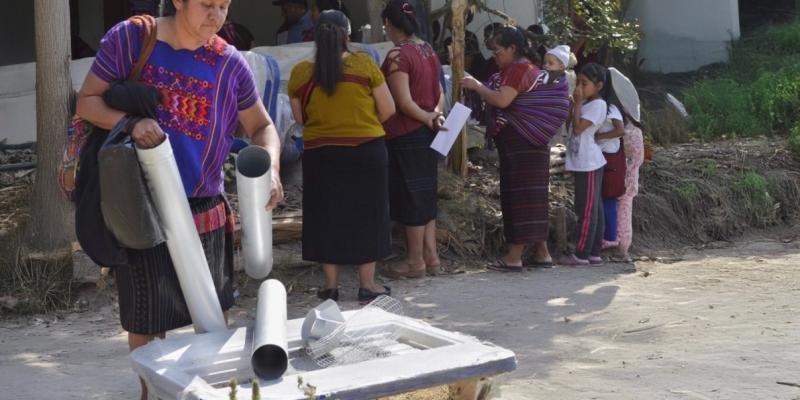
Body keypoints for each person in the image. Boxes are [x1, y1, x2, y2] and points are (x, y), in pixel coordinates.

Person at [75, 1, 284, 399]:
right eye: (207, 4)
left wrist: (271, 166)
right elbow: (87, 101)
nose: (216, 16)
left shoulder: (229, 64)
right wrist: (131, 124)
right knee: (147, 322)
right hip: (142, 207)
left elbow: (262, 126)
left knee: (212, 319)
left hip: (205, 209)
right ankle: (150, 394)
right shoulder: (133, 39)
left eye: (224, 6)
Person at [288, 10, 396, 304]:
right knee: (369, 214)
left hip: (320, 155)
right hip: (366, 152)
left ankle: (330, 287)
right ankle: (367, 285)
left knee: (326, 216)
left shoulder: (300, 73)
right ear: (348, 34)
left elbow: (300, 119)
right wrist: (360, 122)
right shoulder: (364, 64)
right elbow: (388, 110)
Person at [462, 26, 569, 272]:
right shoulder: (529, 68)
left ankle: (514, 256)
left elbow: (502, 100)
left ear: (512, 49)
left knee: (518, 197)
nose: (495, 57)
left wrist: (477, 86)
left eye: (498, 51)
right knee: (535, 196)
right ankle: (542, 253)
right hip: (533, 143)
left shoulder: (517, 69)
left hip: (520, 141)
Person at [379, 0, 445, 279]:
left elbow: (403, 103)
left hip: (407, 134)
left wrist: (426, 117)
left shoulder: (398, 55)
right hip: (431, 130)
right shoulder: (428, 50)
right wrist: (435, 115)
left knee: (411, 198)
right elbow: (441, 92)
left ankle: (414, 261)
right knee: (425, 195)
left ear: (389, 23)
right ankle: (432, 257)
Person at [559, 62, 609, 266]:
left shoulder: (598, 105)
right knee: (593, 207)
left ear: (598, 86)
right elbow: (570, 126)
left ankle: (581, 253)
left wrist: (578, 104)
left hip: (589, 162)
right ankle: (594, 251)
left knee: (586, 209)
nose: (579, 87)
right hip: (581, 161)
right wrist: (573, 106)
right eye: (578, 82)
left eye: (584, 83)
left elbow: (579, 129)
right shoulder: (586, 103)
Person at [596, 87, 626, 250]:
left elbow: (620, 130)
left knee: (608, 197)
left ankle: (610, 238)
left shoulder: (611, 108)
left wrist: (599, 137)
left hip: (610, 157)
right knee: (603, 198)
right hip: (602, 155)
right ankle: (606, 237)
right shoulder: (597, 106)